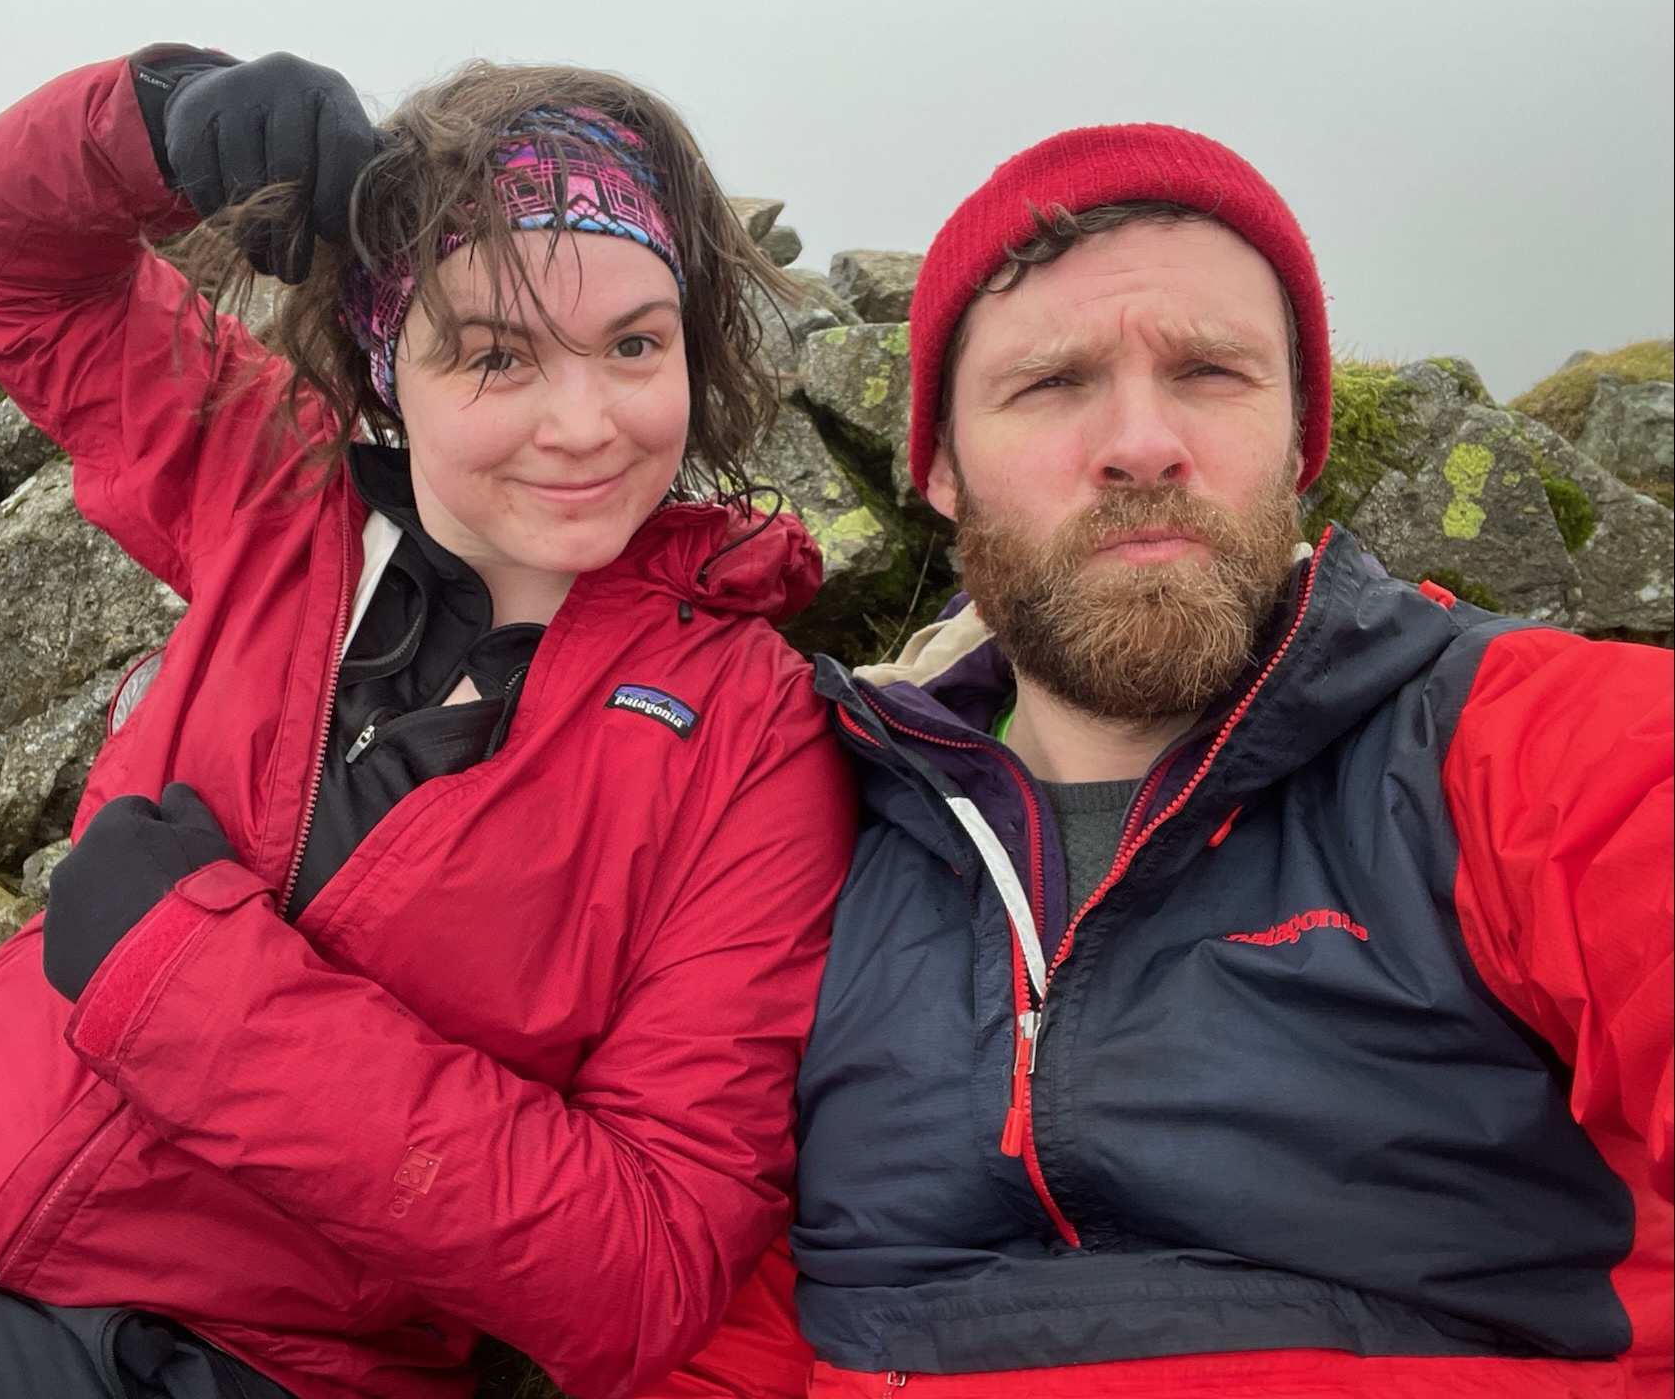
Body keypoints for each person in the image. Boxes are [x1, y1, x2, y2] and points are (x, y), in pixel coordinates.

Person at [0, 45, 855, 1398]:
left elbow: (649, 1265)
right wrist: (159, 121)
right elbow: (8, 256)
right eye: (497, 355)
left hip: (207, 1349)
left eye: (634, 343)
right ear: (389, 364)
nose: (585, 422)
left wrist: (185, 982)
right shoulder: (275, 490)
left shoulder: (753, 745)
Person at [648, 124, 1673, 1398]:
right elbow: (729, 1317)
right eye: (1052, 384)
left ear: (1301, 442)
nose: (1142, 442)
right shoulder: (809, 826)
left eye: (1209, 372)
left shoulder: (1520, 745)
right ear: (941, 474)